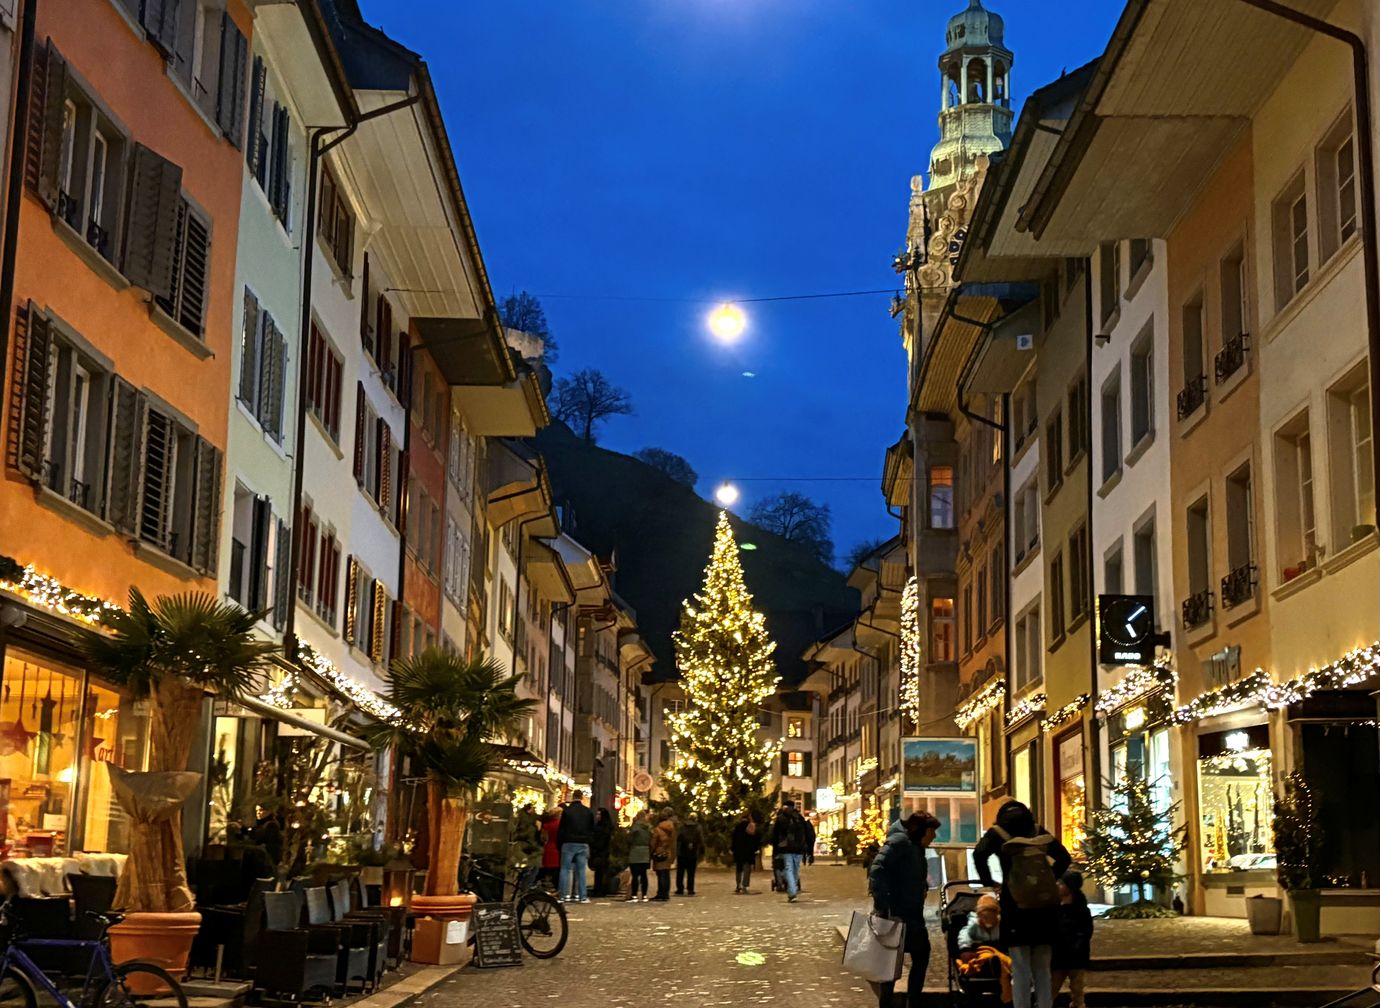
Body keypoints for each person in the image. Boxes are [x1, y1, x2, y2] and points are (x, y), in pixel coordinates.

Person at [974, 800, 1072, 1008]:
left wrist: (990, 882)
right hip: (1044, 908)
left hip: (1015, 907)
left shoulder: (998, 833)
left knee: (1020, 968)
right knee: (1043, 967)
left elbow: (979, 854)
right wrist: (1048, 879)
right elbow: (1064, 858)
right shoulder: (1036, 830)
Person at [869, 811, 940, 1008]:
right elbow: (877, 869)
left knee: (919, 955)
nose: (934, 836)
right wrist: (884, 906)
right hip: (896, 915)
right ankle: (891, 1004)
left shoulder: (915, 846)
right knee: (891, 964)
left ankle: (911, 1002)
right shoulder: (900, 842)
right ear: (921, 830)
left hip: (912, 914)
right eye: (931, 831)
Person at [1051, 871, 1093, 1008]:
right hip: (1058, 956)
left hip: (1076, 956)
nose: (1058, 885)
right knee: (1051, 988)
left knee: (1077, 989)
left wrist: (1076, 946)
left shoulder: (1081, 909)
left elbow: (1086, 932)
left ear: (1070, 887)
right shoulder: (1055, 907)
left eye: (1061, 883)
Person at [556, 789, 596, 903]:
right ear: (582, 797)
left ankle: (562, 895)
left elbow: (562, 829)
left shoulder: (567, 811)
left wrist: (559, 844)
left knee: (565, 869)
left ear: (573, 797)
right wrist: (589, 842)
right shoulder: (587, 812)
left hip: (568, 842)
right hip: (583, 843)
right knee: (581, 870)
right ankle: (582, 896)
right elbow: (591, 829)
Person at [769, 799, 810, 902]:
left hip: (786, 849)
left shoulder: (780, 818)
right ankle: (793, 889)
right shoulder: (799, 818)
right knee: (795, 870)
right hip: (798, 849)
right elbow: (807, 833)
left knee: (789, 870)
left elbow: (775, 835)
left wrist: (776, 850)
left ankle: (792, 893)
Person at [730, 810, 762, 893]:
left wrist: (732, 849)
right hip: (748, 851)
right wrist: (756, 849)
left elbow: (734, 839)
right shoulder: (751, 826)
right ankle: (744, 885)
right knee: (747, 868)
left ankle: (738, 885)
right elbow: (755, 839)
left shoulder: (737, 827)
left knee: (739, 868)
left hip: (738, 851)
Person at [650, 809, 677, 901]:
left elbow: (653, 842)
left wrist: (651, 852)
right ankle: (666, 893)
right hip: (668, 852)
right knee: (666, 873)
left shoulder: (657, 829)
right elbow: (673, 842)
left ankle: (661, 893)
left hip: (659, 852)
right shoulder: (672, 828)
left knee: (661, 874)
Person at [625, 810, 652, 902]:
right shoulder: (649, 827)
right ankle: (644, 895)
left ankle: (634, 895)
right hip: (645, 852)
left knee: (635, 875)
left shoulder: (635, 827)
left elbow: (629, 839)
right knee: (644, 875)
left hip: (635, 852)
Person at [676, 815, 705, 896]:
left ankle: (680, 889)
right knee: (691, 872)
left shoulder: (682, 827)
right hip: (693, 851)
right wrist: (702, 849)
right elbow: (701, 839)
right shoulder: (698, 827)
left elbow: (678, 838)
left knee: (680, 872)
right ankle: (690, 889)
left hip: (682, 851)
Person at [590, 807, 614, 897]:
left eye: (599, 814)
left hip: (601, 851)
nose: (597, 816)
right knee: (600, 871)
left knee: (600, 871)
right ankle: (599, 889)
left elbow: (602, 840)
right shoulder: (603, 825)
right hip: (601, 851)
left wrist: (595, 846)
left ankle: (600, 889)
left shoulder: (603, 827)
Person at [539, 809, 562, 888]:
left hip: (548, 848)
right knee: (557, 870)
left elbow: (543, 838)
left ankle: (546, 884)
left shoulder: (546, 825)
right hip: (558, 849)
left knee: (547, 870)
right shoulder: (561, 825)